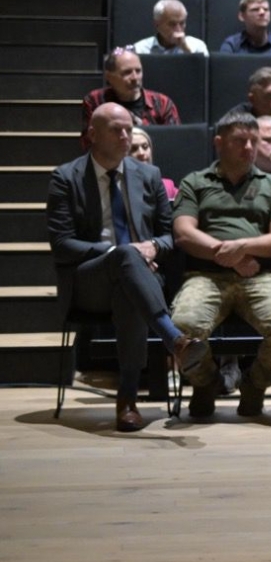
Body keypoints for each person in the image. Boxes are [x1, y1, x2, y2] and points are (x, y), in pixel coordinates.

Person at [50, 103, 204, 432]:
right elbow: (62, 245)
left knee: (127, 285)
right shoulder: (66, 178)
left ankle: (128, 401)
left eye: (128, 129)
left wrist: (151, 246)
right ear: (92, 135)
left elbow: (170, 236)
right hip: (88, 281)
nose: (125, 136)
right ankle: (173, 340)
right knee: (123, 259)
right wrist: (115, 251)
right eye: (116, 130)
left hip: (138, 280)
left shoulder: (148, 175)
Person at [170, 109, 271, 420]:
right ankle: (207, 383)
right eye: (240, 141)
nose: (249, 148)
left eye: (254, 141)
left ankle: (254, 386)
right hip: (206, 276)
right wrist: (226, 255)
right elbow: (183, 233)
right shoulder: (196, 182)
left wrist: (241, 249)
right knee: (183, 327)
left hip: (260, 277)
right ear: (219, 142)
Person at [81, 50, 180, 145]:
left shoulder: (163, 103)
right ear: (109, 77)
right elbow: (89, 143)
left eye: (138, 71)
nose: (135, 78)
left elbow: (174, 142)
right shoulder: (95, 100)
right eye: (127, 72)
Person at [131, 0, 207, 55]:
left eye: (182, 23)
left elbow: (202, 72)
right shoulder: (140, 49)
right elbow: (119, 53)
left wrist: (185, 48)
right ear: (157, 24)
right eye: (172, 24)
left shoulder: (197, 46)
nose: (178, 29)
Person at [128, 127, 179, 202]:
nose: (141, 153)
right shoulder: (120, 187)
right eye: (133, 149)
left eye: (145, 147)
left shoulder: (167, 186)